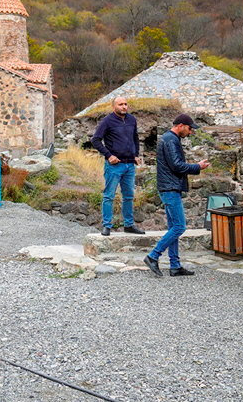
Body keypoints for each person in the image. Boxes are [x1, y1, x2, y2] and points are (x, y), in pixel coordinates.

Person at [143, 114, 209, 277]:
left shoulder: (168, 138)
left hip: (169, 187)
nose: (191, 132)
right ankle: (153, 256)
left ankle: (175, 265)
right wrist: (197, 166)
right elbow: (177, 166)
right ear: (180, 125)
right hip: (170, 188)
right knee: (179, 227)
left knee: (174, 227)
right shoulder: (171, 140)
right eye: (189, 128)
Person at [90, 97, 145, 236]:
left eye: (126, 104)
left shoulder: (132, 119)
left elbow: (135, 138)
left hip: (129, 165)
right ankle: (107, 226)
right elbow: (95, 140)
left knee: (128, 196)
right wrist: (109, 155)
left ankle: (129, 225)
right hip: (114, 166)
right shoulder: (107, 121)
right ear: (113, 106)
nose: (124, 107)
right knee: (109, 196)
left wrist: (136, 154)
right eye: (121, 104)